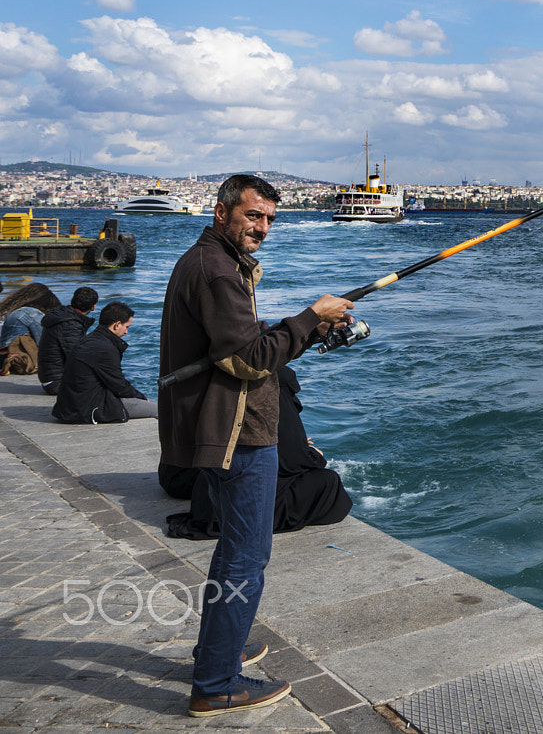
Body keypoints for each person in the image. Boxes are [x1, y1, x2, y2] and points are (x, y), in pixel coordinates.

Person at [157, 173, 351, 718]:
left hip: (227, 424)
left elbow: (239, 341)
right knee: (246, 554)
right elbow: (246, 359)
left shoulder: (209, 261)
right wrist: (312, 317)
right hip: (238, 430)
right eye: (252, 216)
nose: (262, 227)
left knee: (235, 551)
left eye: (269, 218)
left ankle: (218, 649)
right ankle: (217, 682)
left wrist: (308, 329)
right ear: (222, 212)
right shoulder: (217, 270)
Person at [162, 364, 352, 537]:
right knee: (329, 481)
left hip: (209, 496)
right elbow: (292, 463)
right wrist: (313, 456)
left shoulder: (234, 402)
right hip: (244, 501)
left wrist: (295, 446)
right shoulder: (274, 408)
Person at [51, 301, 156, 423]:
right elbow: (119, 385)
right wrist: (142, 398)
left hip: (69, 406)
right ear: (117, 325)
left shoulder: (88, 340)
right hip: (87, 409)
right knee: (159, 409)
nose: (126, 332)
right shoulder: (105, 349)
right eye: (126, 327)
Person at [38, 287, 99, 395]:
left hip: (50, 377)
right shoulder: (70, 324)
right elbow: (74, 356)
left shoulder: (62, 315)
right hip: (56, 382)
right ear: (93, 306)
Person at [1, 283, 61, 375]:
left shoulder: (17, 311)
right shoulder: (31, 313)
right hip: (17, 359)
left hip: (5, 356)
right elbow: (44, 343)